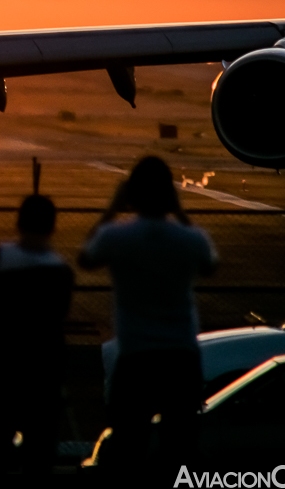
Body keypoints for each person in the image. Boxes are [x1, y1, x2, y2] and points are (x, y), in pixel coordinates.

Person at [79, 156, 217, 478]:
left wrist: (112, 209)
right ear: (169, 194)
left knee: (128, 449)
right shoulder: (190, 239)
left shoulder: (118, 237)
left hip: (137, 358)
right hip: (181, 359)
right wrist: (179, 211)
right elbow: (210, 266)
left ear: (133, 194)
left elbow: (85, 258)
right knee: (181, 453)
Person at [0, 194, 74, 478]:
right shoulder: (61, 269)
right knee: (40, 456)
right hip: (43, 375)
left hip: (2, 371)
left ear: (18, 221)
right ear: (53, 226)